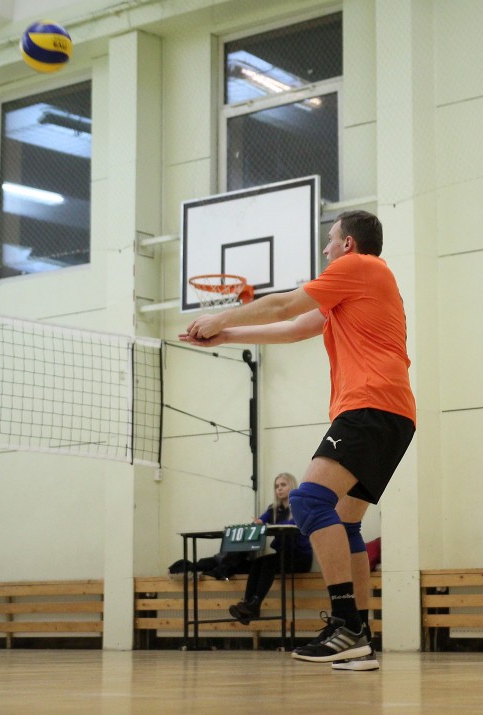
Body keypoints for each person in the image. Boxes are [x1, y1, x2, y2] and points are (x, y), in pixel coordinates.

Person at [181, 210, 415, 672]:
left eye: (330, 240)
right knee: (345, 522)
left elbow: (284, 306)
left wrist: (219, 316)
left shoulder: (358, 267)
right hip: (393, 413)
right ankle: (359, 637)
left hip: (369, 406)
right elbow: (293, 328)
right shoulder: (357, 289)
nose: (325, 249)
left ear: (348, 244)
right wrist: (225, 335)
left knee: (307, 502)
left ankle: (346, 625)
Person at [228, 472, 313, 625]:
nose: (279, 489)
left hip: (300, 557)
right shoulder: (274, 509)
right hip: (283, 555)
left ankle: (254, 606)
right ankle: (247, 604)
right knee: (257, 562)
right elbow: (261, 520)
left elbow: (293, 524)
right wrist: (258, 522)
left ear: (292, 486)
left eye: (283, 485)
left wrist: (269, 525)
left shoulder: (300, 506)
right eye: (276, 486)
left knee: (269, 563)